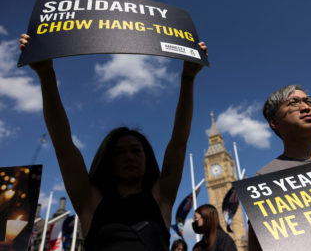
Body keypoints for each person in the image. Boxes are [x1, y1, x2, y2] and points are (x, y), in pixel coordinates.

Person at [20, 34, 207, 250]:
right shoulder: (90, 199)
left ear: (147, 157)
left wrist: (188, 78)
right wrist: (45, 73)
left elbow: (179, 142)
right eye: (119, 152)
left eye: (136, 150)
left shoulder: (161, 196)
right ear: (108, 159)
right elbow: (63, 146)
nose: (129, 156)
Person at [248, 84, 311, 251]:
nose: (305, 107)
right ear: (274, 122)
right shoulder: (265, 178)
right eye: (293, 103)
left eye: (308, 101)